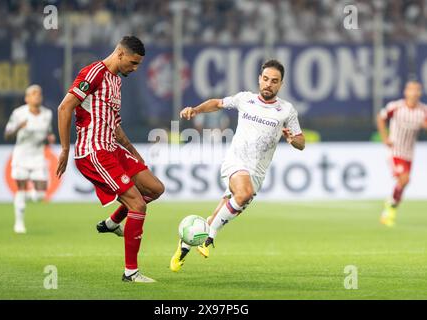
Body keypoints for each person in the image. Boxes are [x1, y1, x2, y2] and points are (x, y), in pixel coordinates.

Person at [170, 59, 305, 272]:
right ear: (260, 79)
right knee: (243, 193)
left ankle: (185, 245)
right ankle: (210, 236)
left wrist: (291, 139)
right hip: (236, 162)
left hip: (257, 173)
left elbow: (301, 142)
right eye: (266, 79)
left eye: (274, 81)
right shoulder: (245, 99)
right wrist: (195, 110)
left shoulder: (287, 110)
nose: (269, 84)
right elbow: (217, 103)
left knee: (234, 202)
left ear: (281, 84)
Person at [56, 36, 164, 283]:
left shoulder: (116, 81)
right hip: (93, 152)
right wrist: (64, 149)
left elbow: (114, 126)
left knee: (155, 188)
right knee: (138, 205)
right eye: (133, 63)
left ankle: (113, 221)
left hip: (112, 148)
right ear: (119, 53)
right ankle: (131, 273)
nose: (135, 69)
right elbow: (65, 107)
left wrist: (132, 152)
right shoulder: (94, 72)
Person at [4, 85, 55, 234]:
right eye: (33, 94)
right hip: (21, 155)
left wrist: (49, 138)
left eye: (39, 94)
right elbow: (7, 135)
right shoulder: (19, 113)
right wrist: (18, 127)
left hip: (38, 156)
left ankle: (22, 198)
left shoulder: (47, 114)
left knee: (40, 195)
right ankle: (19, 224)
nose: (37, 96)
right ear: (27, 98)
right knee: (21, 187)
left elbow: (48, 134)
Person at [376, 80, 427, 227]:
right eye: (411, 89)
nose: (414, 93)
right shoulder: (396, 107)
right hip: (395, 150)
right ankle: (390, 209)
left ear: (420, 93)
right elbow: (381, 118)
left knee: (404, 183)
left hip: (409, 153)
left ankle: (390, 205)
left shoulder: (423, 111)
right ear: (406, 92)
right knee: (404, 179)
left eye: (417, 90)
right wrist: (385, 137)